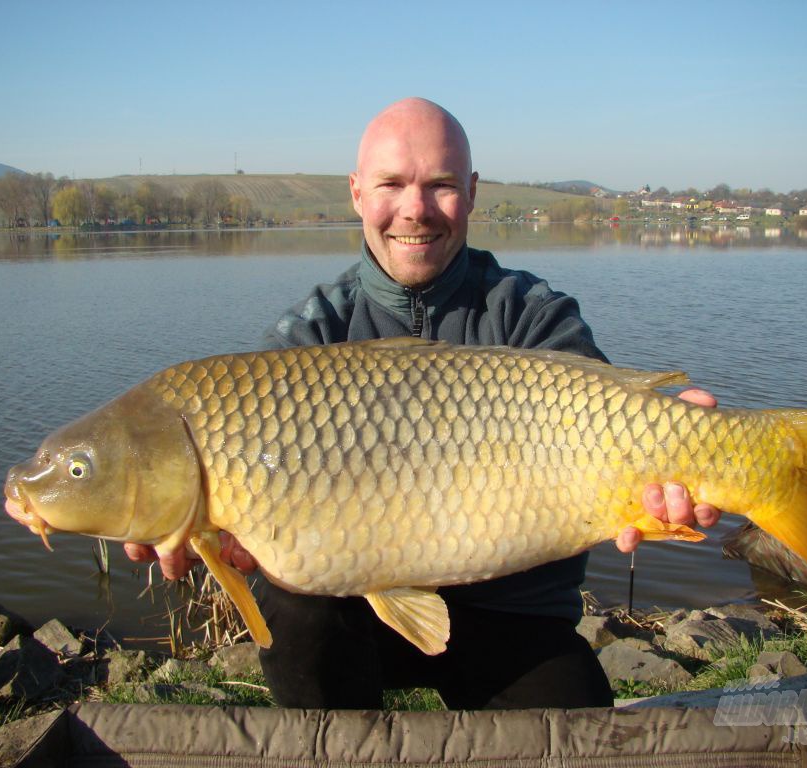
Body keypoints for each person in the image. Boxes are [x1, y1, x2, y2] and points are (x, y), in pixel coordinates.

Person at [125, 97, 720, 709]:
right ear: (357, 192)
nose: (415, 209)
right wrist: (212, 537)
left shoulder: (531, 316)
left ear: (472, 191)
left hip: (513, 621)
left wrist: (681, 460)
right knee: (299, 615)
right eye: (391, 183)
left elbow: (615, 434)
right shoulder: (310, 336)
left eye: (440, 185)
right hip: (346, 620)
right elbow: (247, 538)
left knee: (574, 737)